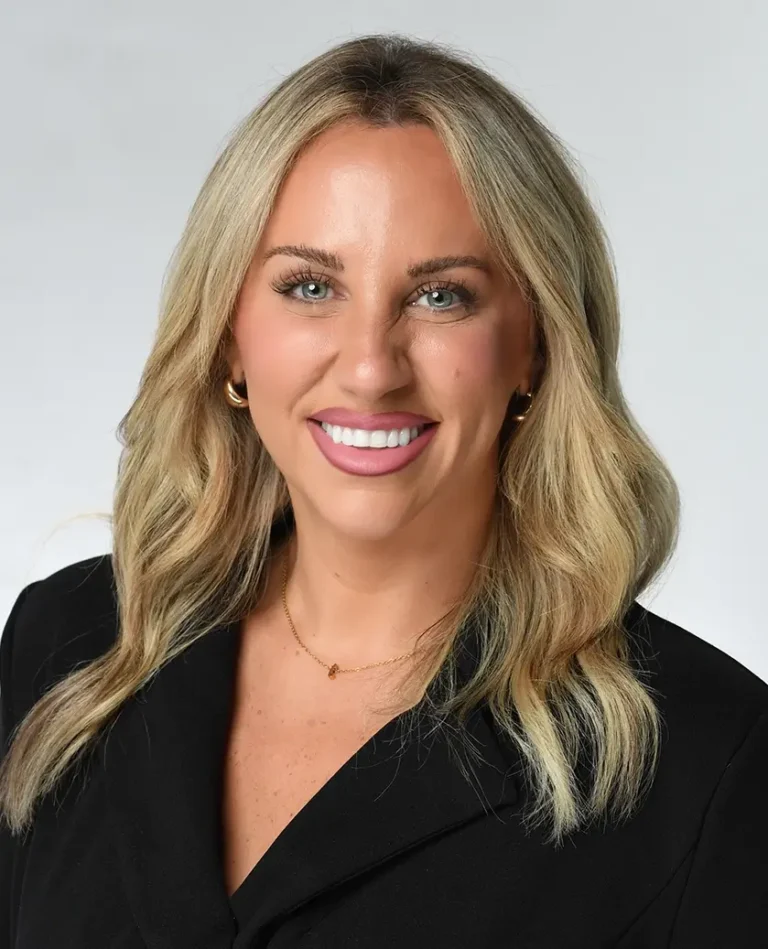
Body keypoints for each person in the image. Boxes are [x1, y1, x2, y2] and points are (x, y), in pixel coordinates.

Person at [1, 32, 767, 949]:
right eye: (310, 284)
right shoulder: (67, 647)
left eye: (441, 296)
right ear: (231, 337)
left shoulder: (711, 761)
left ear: (535, 348)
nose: (370, 366)